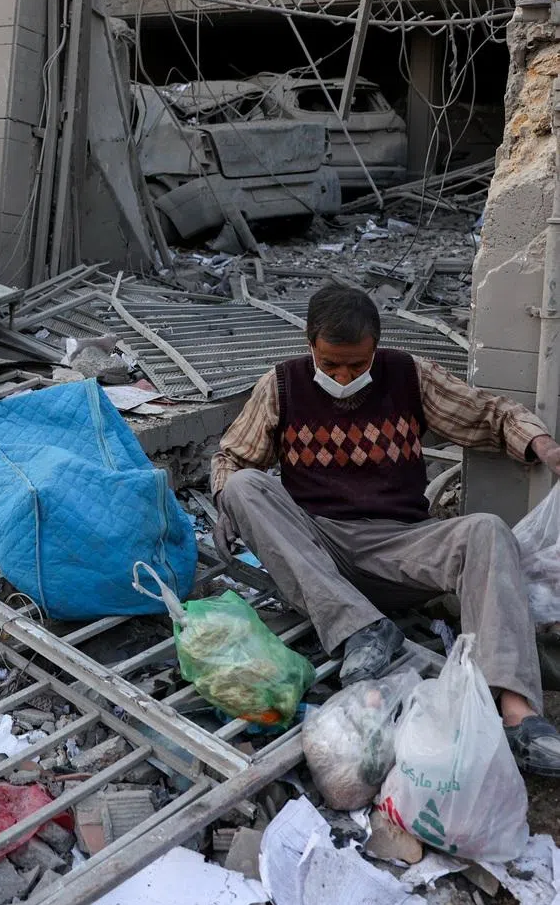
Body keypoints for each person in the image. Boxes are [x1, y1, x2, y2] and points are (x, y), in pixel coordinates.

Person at [212, 282, 560, 777]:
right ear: (310, 344)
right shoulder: (282, 385)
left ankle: (517, 716)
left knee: (485, 530)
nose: (343, 376)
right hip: (319, 549)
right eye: (331, 364)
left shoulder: (408, 375)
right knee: (244, 486)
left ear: (376, 346)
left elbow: (489, 413)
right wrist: (228, 500)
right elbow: (231, 457)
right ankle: (361, 630)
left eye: (357, 364)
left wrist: (544, 447)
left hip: (400, 543)